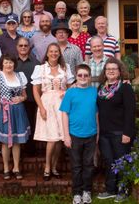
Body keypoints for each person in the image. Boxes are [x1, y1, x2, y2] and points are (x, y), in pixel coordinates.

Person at [31, 43, 75, 181]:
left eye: (56, 51)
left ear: (59, 53)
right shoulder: (40, 68)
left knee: (60, 138)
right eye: (51, 51)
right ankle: (47, 166)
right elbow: (35, 91)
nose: (54, 53)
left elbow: (71, 87)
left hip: (62, 104)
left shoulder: (65, 68)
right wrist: (41, 108)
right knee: (52, 138)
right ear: (47, 53)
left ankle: (54, 167)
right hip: (47, 103)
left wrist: (65, 93)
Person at [96, 57, 136, 202]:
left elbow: (130, 111)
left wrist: (127, 133)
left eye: (114, 69)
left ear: (119, 72)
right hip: (104, 133)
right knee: (108, 160)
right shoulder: (100, 88)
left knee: (121, 161)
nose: (111, 71)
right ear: (105, 72)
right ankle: (110, 189)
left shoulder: (125, 87)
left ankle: (123, 189)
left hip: (120, 132)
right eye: (108, 69)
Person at [60, 64, 98, 204]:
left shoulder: (94, 91)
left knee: (88, 165)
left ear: (89, 77)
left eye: (86, 75)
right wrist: (66, 135)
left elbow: (97, 113)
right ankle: (77, 193)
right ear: (76, 77)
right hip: (74, 135)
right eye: (80, 75)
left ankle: (87, 191)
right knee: (76, 166)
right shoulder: (70, 92)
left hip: (91, 134)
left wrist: (98, 132)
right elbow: (64, 113)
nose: (83, 77)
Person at [0, 54, 31, 180]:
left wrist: (22, 98)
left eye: (11, 62)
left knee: (17, 141)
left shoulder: (20, 76)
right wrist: (1, 112)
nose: (9, 65)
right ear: (2, 64)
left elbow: (25, 96)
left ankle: (16, 167)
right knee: (5, 142)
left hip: (18, 111)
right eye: (6, 62)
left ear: (14, 64)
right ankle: (6, 167)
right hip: (5, 112)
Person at [15, 37, 40, 154]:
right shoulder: (12, 62)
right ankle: (17, 150)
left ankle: (30, 149)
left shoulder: (36, 63)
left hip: (31, 99)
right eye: (21, 45)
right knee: (17, 125)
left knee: (30, 124)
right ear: (17, 47)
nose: (23, 47)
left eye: (25, 45)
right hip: (15, 101)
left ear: (29, 47)